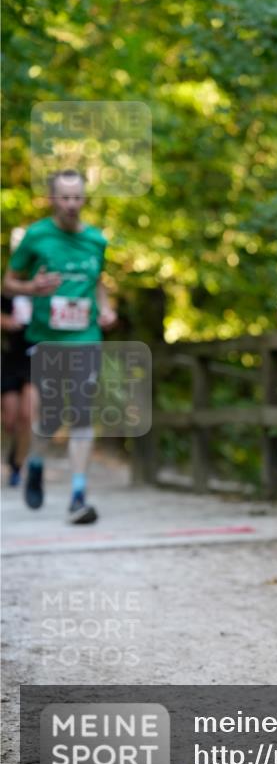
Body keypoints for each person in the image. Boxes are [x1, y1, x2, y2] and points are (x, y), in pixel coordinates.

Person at [3, 169, 117, 524]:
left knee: (82, 413)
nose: (71, 204)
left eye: (77, 197)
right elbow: (8, 283)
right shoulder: (36, 236)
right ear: (52, 199)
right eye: (64, 197)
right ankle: (35, 462)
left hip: (85, 337)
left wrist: (107, 307)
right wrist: (31, 288)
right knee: (47, 418)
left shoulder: (96, 240)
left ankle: (78, 496)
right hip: (46, 338)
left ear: (84, 198)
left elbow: (97, 282)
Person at [1, 229, 35, 486]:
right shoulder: (8, 287)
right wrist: (7, 322)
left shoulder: (44, 283)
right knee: (10, 419)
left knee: (27, 415)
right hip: (11, 356)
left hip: (36, 356)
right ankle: (11, 456)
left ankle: (18, 466)